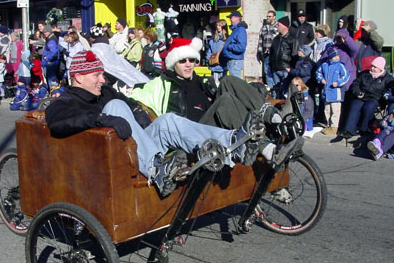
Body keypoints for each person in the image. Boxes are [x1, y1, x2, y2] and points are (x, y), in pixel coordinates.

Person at [45, 50, 300, 197]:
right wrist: (100, 118)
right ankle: (159, 169)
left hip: (136, 148)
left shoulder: (106, 92)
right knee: (115, 107)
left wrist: (139, 114)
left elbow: (133, 106)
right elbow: (56, 122)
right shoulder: (65, 101)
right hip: (111, 164)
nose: (103, 79)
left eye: (102, 73)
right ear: (78, 77)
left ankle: (234, 142)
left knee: (167, 120)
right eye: (96, 75)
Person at [129, 37, 276, 131]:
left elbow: (224, 90)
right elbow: (135, 94)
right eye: (182, 61)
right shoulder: (163, 83)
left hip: (213, 121)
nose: (188, 64)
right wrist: (129, 98)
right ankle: (260, 141)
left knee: (227, 80)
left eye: (191, 60)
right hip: (194, 130)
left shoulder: (201, 80)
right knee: (225, 101)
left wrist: (252, 88)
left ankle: (272, 117)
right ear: (173, 64)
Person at [335, 56, 394, 140]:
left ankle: (364, 128)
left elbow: (389, 90)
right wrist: (357, 92)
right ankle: (349, 130)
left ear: (380, 68)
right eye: (372, 66)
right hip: (362, 96)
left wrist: (382, 98)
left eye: (375, 67)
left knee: (368, 108)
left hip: (376, 98)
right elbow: (355, 84)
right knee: (355, 106)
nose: (372, 68)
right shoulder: (364, 74)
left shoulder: (387, 78)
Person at [315, 47, 350, 134]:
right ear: (330, 57)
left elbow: (346, 76)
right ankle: (328, 124)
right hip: (326, 92)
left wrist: (338, 83)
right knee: (327, 109)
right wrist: (321, 79)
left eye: (337, 56)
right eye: (335, 56)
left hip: (336, 92)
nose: (337, 58)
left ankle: (334, 126)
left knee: (335, 110)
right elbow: (318, 73)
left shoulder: (340, 66)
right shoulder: (324, 65)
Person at [269, 16, 298, 97]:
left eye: (278, 25)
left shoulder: (292, 38)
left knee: (286, 91)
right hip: (275, 69)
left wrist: (292, 68)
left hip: (286, 69)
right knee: (276, 92)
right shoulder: (276, 39)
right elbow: (272, 53)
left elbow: (295, 54)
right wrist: (270, 66)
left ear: (285, 26)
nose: (276, 26)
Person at [221, 11, 247, 79]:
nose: (230, 19)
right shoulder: (235, 29)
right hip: (231, 60)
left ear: (237, 18)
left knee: (236, 83)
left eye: (231, 17)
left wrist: (229, 46)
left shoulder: (240, 30)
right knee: (232, 83)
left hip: (235, 61)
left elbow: (241, 47)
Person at [258, 10, 278, 87]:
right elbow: (260, 40)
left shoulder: (277, 26)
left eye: (269, 16)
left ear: (274, 17)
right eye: (267, 16)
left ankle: (276, 91)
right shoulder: (264, 27)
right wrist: (260, 51)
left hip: (274, 54)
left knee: (274, 72)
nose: (268, 18)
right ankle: (271, 89)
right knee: (267, 72)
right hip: (266, 53)